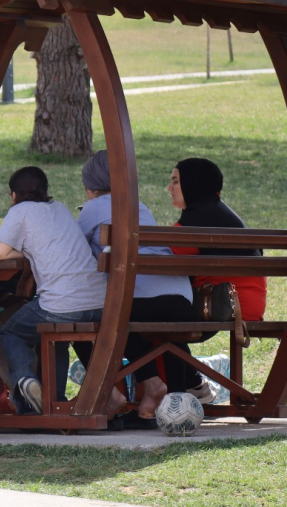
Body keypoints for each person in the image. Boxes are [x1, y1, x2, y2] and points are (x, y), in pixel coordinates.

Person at [77, 150, 202, 424]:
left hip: (142, 300)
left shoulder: (94, 208)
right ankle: (172, 396)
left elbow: (73, 250)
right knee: (122, 313)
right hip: (180, 299)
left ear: (90, 186)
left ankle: (134, 388)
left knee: (90, 317)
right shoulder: (138, 204)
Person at [0, 166, 107, 415]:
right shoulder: (60, 209)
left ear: (13, 195)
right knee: (56, 340)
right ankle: (52, 401)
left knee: (10, 332)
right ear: (45, 190)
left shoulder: (20, 211)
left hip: (63, 304)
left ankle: (25, 380)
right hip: (100, 302)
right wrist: (31, 248)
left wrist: (24, 247)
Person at [167, 157, 267, 321]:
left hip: (221, 304)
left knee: (147, 306)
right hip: (247, 305)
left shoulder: (195, 220)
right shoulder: (223, 214)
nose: (169, 188)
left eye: (176, 182)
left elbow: (164, 257)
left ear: (192, 183)